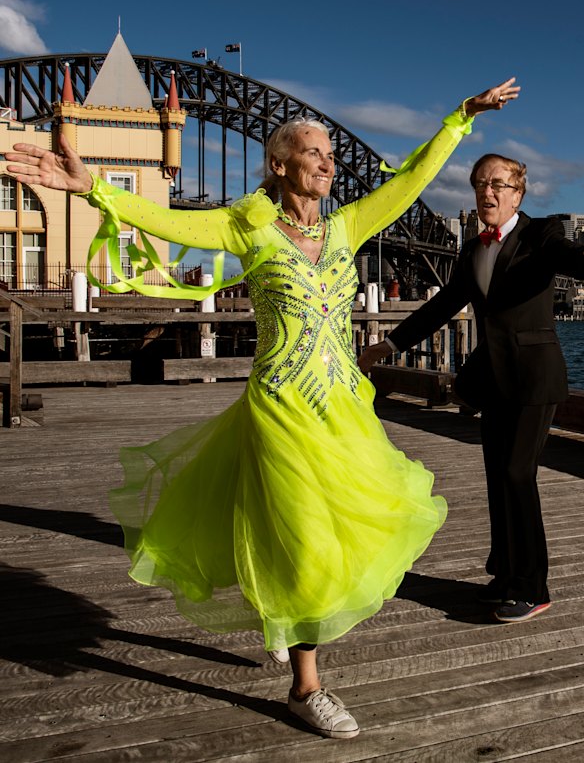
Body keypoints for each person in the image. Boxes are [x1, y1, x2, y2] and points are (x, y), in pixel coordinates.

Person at [5, 77, 518, 739]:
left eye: (331, 153)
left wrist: (461, 117)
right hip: (280, 408)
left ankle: (280, 614)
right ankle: (307, 687)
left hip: (344, 412)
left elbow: (413, 180)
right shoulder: (245, 226)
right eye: (314, 152)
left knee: (338, 533)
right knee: (306, 543)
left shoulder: (347, 226)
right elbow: (166, 222)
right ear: (279, 164)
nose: (328, 162)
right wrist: (93, 189)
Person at [359, 152, 584, 625]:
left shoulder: (542, 235)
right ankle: (504, 576)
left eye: (498, 184)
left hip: (535, 377)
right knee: (498, 477)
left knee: (518, 475)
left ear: (518, 193)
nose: (488, 192)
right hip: (494, 379)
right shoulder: (471, 250)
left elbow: (575, 260)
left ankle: (532, 587)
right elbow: (441, 307)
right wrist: (388, 346)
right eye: (480, 184)